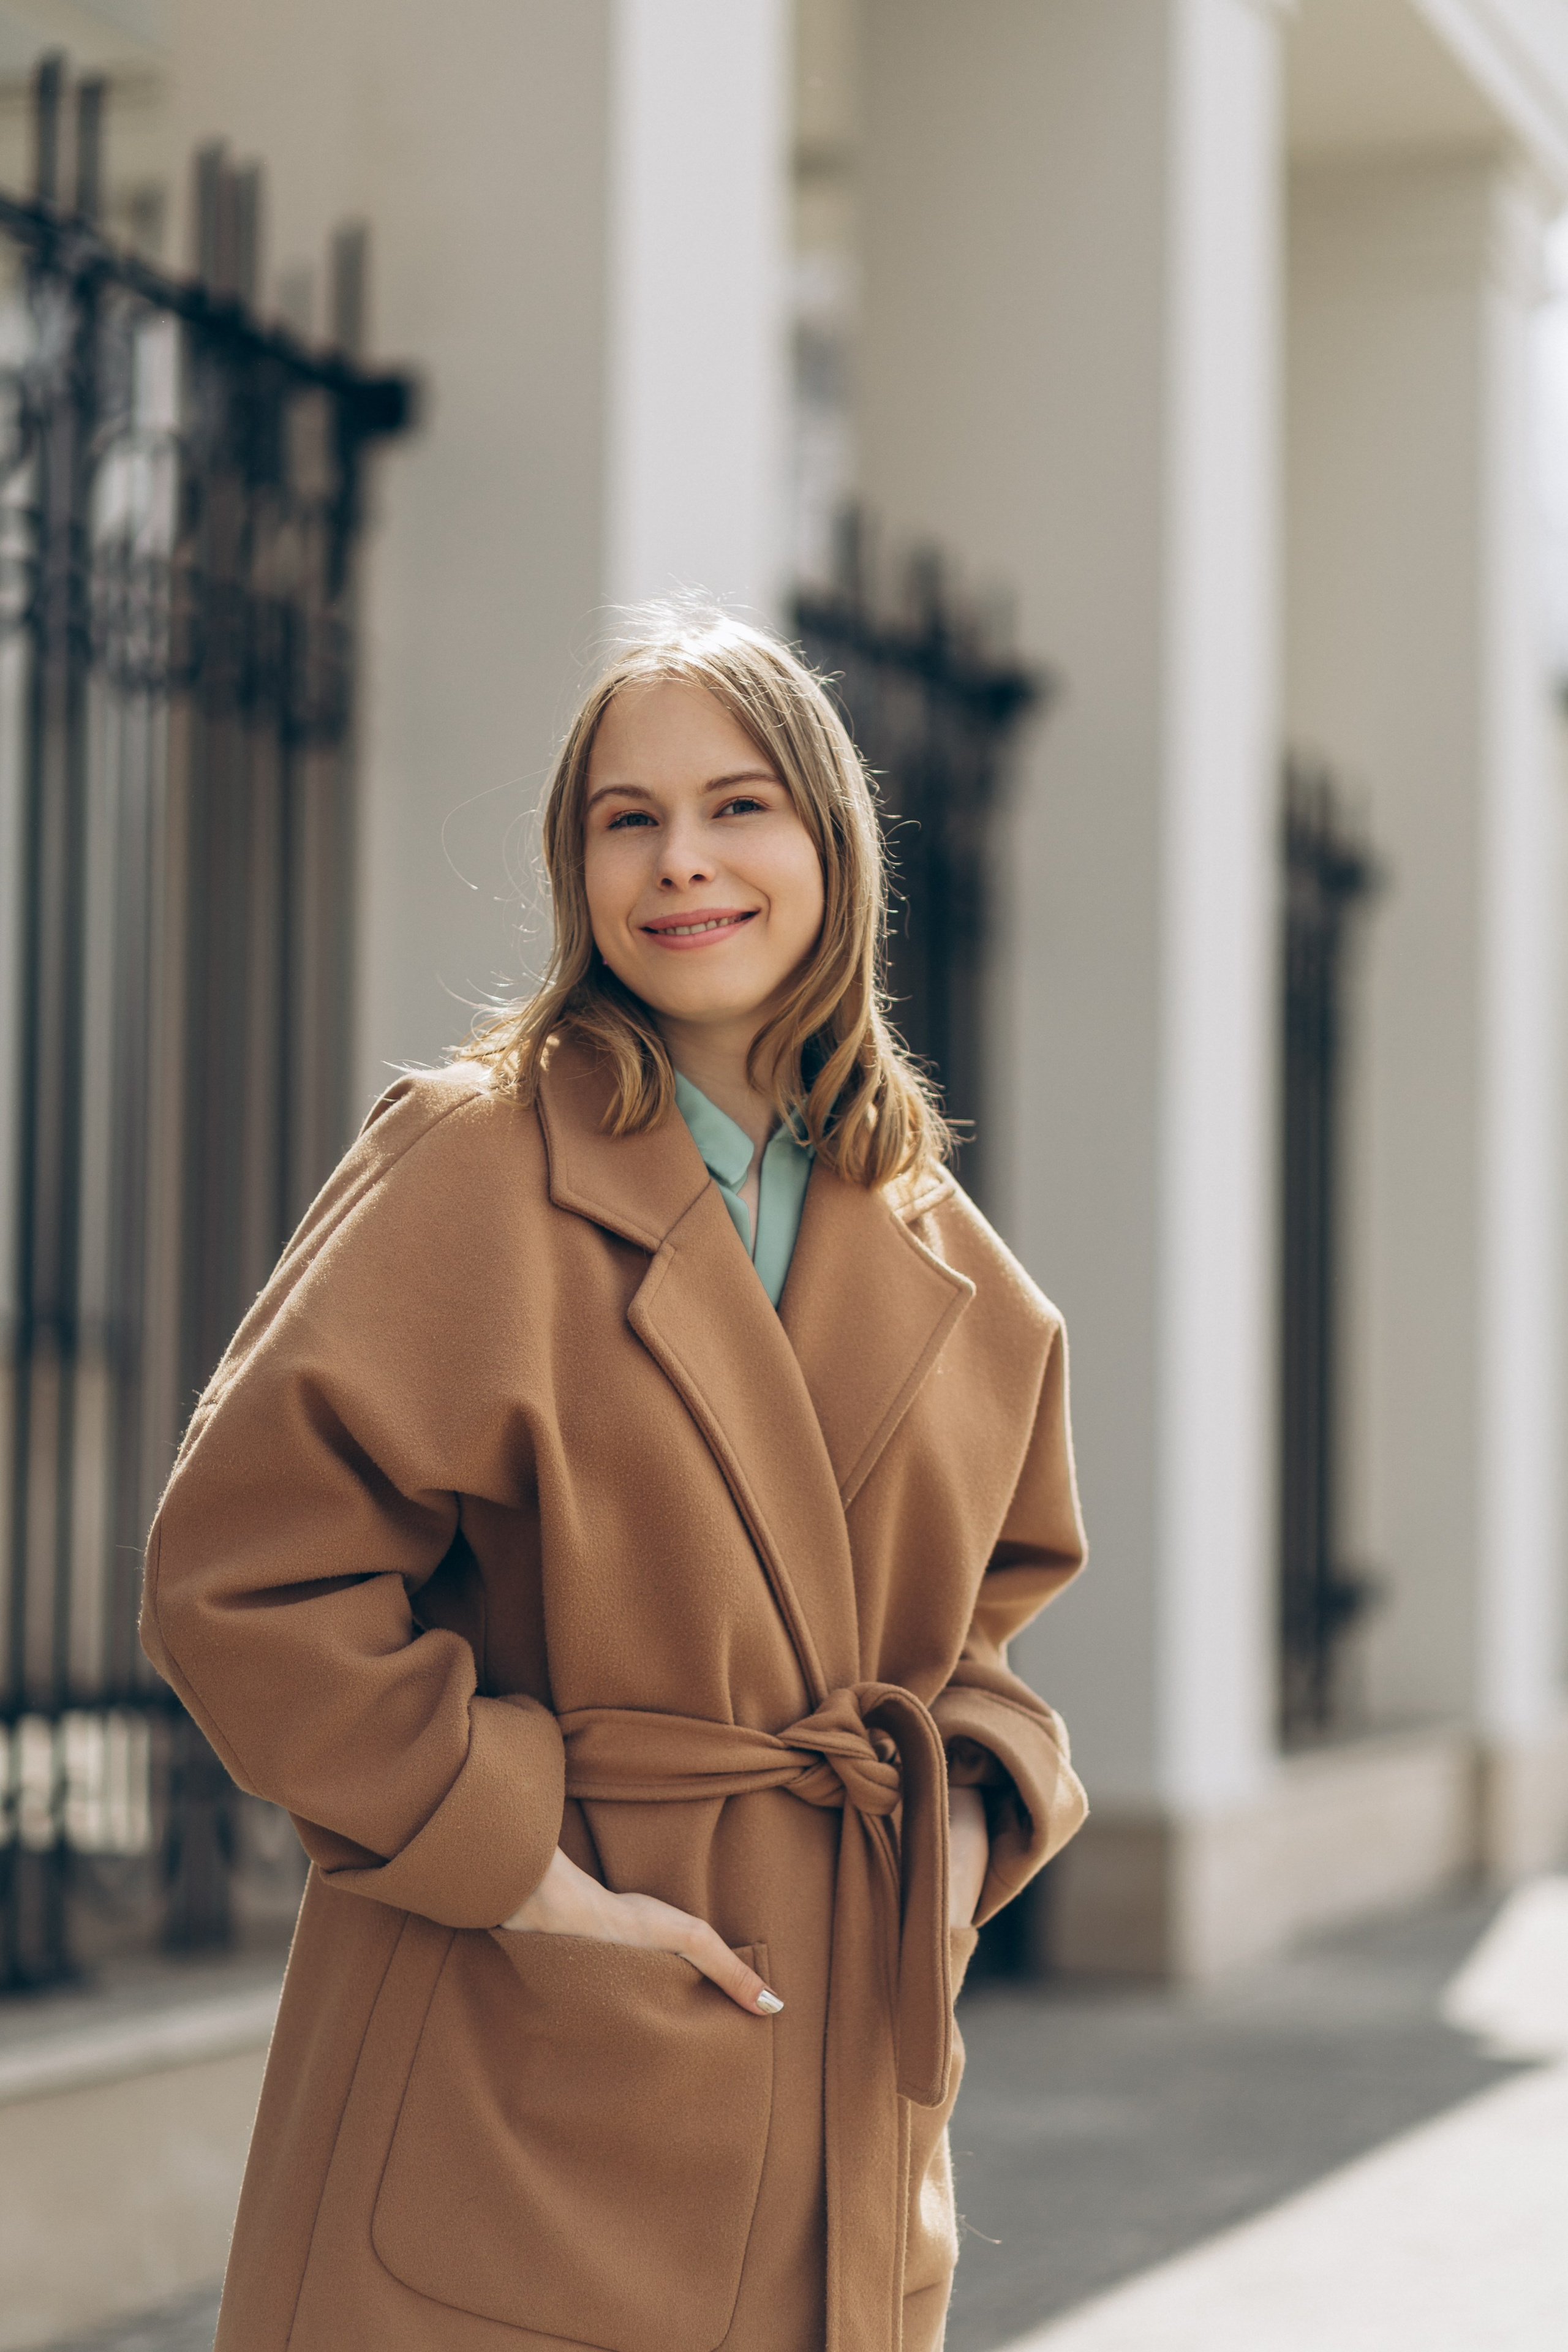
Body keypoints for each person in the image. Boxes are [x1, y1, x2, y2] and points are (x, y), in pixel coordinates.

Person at [141, 608, 1088, 2352]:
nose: (682, 864)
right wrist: (523, 1877)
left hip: (836, 2097)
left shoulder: (943, 1242)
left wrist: (956, 1827)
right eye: (623, 818)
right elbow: (248, 1574)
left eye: (738, 807)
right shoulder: (473, 1157)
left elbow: (990, 1637)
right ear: (576, 868)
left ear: (831, 843)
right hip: (510, 2037)